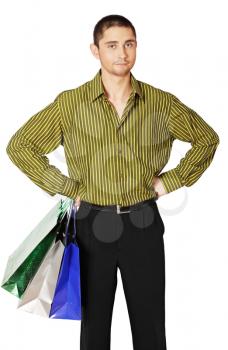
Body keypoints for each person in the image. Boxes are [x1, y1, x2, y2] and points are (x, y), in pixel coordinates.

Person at [6, 14, 219, 350]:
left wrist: (172, 181)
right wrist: (69, 187)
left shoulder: (160, 103)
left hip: (143, 222)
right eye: (112, 45)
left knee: (150, 328)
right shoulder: (70, 104)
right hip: (91, 224)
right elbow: (21, 147)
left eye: (129, 44)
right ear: (96, 50)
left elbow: (207, 139)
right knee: (94, 329)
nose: (123, 53)